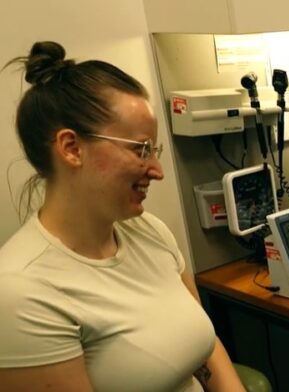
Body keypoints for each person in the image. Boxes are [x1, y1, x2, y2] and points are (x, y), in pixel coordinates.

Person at [0, 42, 245, 391]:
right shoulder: (22, 293)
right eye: (141, 149)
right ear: (72, 148)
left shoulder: (149, 231)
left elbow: (206, 348)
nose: (157, 170)